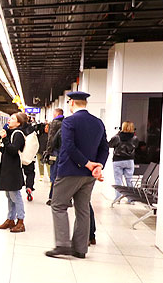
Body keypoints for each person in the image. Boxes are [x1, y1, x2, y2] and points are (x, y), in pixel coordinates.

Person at [46, 92, 109, 259]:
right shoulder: (98, 122)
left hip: (70, 172)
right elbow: (104, 148)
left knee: (58, 205)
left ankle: (62, 245)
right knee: (83, 210)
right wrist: (98, 166)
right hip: (89, 176)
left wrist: (87, 163)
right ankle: (80, 249)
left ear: (72, 102)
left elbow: (68, 146)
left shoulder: (69, 121)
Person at [0, 112, 28, 233]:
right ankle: (10, 219)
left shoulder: (18, 134)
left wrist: (5, 139)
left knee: (15, 195)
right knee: (9, 195)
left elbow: (14, 150)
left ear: (18, 123)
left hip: (13, 169)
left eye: (13, 118)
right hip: (7, 167)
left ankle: (20, 221)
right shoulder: (12, 133)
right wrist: (1, 148)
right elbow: (9, 151)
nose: (9, 120)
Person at [109, 121, 138, 205]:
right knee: (129, 179)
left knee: (118, 179)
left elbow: (109, 144)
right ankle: (131, 199)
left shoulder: (117, 137)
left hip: (118, 160)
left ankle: (118, 197)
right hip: (129, 161)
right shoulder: (135, 138)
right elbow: (135, 146)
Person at [43, 108, 65, 206]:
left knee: (54, 175)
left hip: (56, 152)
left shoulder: (54, 123)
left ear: (56, 114)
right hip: (64, 152)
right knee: (62, 175)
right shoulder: (66, 122)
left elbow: (51, 139)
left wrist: (48, 152)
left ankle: (52, 198)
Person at [20, 115, 37, 201]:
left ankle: (17, 189)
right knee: (30, 173)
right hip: (29, 156)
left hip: (19, 157)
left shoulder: (17, 130)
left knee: (18, 172)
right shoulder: (32, 129)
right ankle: (29, 187)